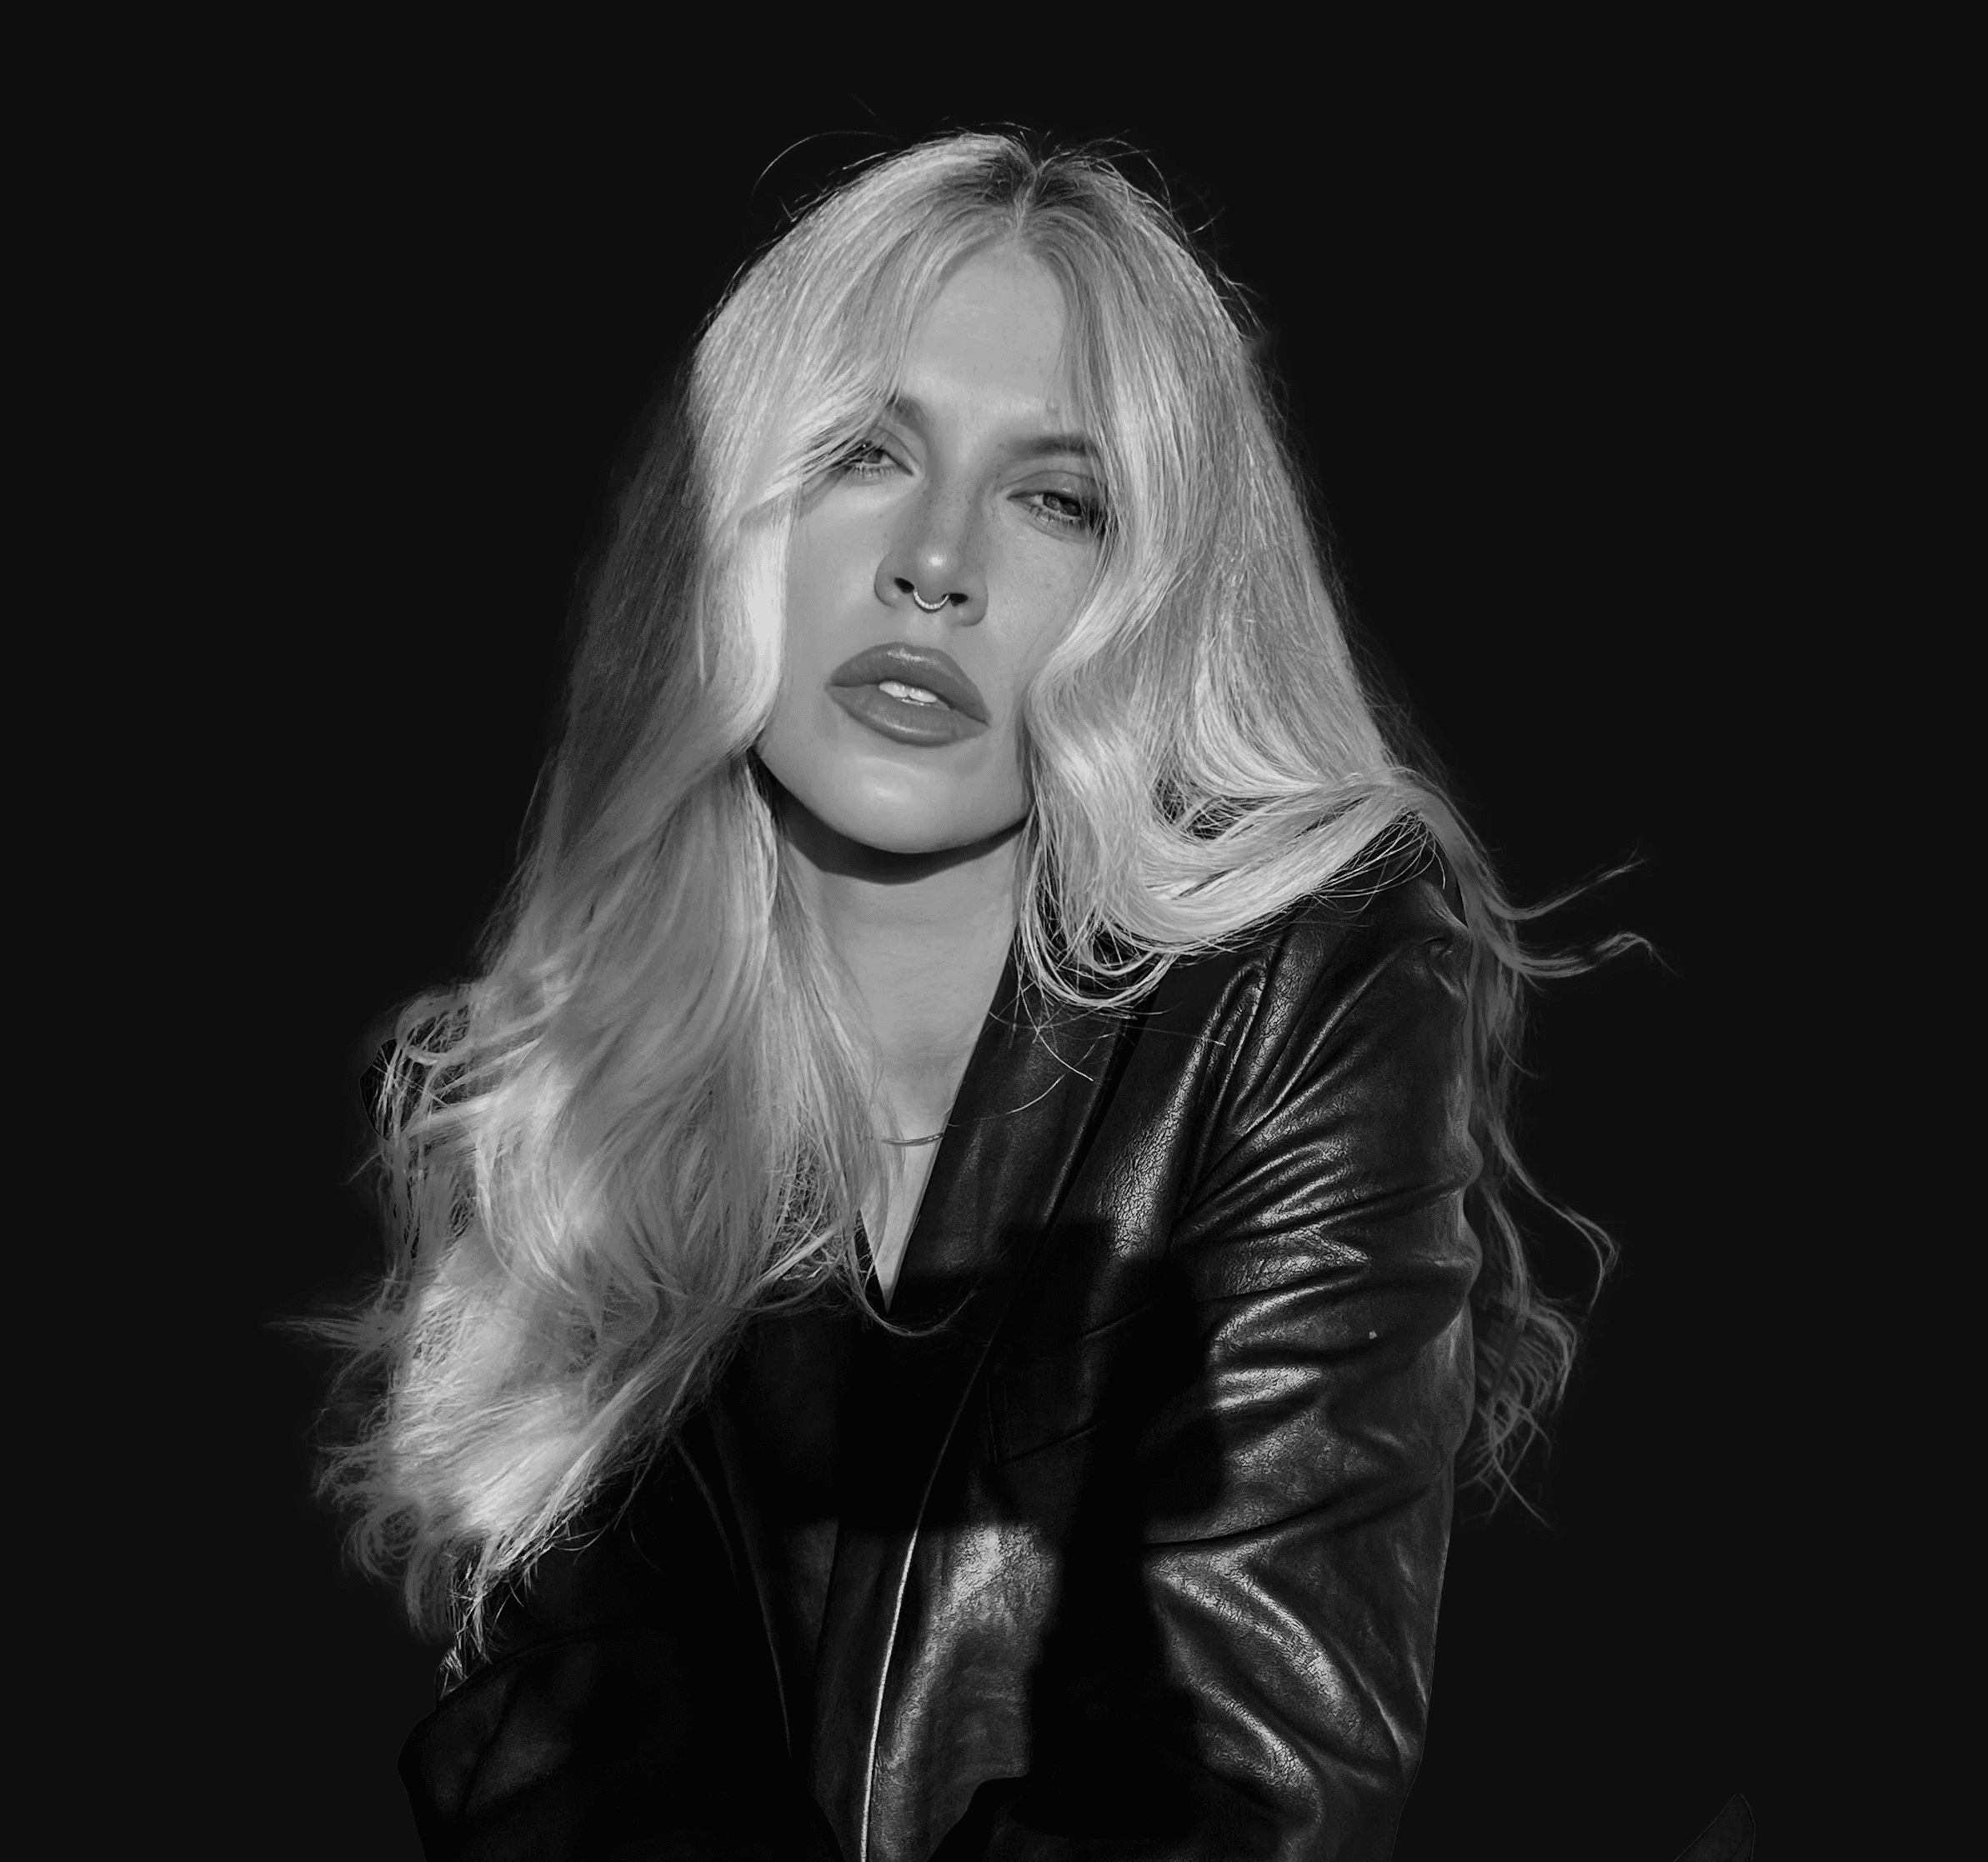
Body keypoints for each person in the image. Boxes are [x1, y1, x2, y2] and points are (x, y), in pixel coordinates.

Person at [321, 132, 1615, 1861]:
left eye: (1056, 497)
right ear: (727, 525)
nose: (936, 561)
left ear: (1151, 606)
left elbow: (1245, 1783)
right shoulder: (569, 1103)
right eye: (862, 452)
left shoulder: (1310, 985)